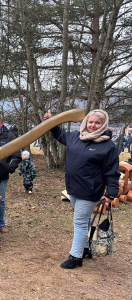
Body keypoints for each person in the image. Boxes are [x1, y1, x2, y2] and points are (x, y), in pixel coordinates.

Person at [44, 109, 120, 269]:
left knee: (79, 222)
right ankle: (85, 249)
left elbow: (112, 171)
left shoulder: (108, 146)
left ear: (103, 124)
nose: (93, 125)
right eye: (90, 122)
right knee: (83, 221)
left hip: (90, 191)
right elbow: (60, 135)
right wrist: (51, 121)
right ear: (85, 122)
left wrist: (111, 193)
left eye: (97, 123)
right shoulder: (75, 137)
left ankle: (75, 257)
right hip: (72, 188)